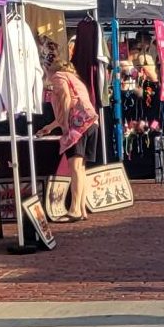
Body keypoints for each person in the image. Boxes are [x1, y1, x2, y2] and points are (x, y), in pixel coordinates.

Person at [40, 55, 99, 221]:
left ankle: (74, 209)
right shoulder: (74, 78)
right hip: (90, 122)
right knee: (80, 169)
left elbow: (66, 98)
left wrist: (65, 123)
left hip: (78, 125)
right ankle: (81, 208)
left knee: (75, 167)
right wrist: (51, 127)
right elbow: (73, 101)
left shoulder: (58, 77)